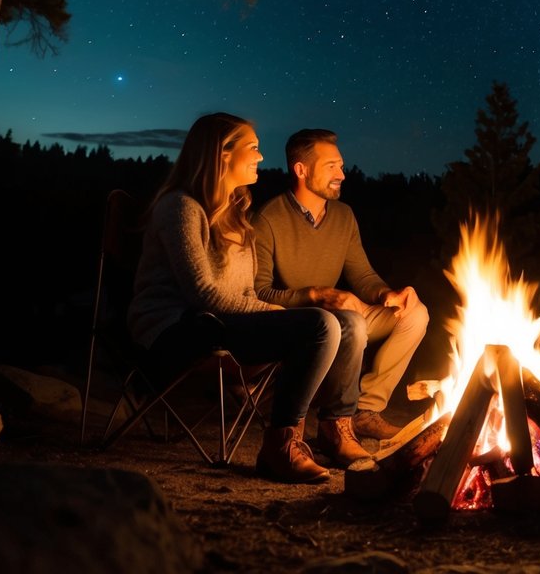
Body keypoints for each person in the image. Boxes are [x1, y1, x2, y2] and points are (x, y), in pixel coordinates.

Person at [127, 113, 371, 484]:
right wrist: (276, 311)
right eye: (253, 148)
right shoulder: (181, 207)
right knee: (319, 324)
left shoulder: (236, 214)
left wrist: (274, 312)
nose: (260, 157)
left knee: (350, 322)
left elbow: (243, 294)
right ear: (222, 155)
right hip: (174, 332)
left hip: (217, 324)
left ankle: (335, 428)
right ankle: (281, 445)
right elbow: (203, 294)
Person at [252, 128, 429, 443]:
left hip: (344, 314)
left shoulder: (344, 216)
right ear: (301, 170)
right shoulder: (269, 219)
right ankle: (331, 420)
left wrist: (389, 295)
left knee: (415, 315)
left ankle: (364, 410)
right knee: (352, 321)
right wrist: (317, 295)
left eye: (341, 166)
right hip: (299, 322)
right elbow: (261, 293)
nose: (342, 175)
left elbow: (361, 274)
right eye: (331, 166)